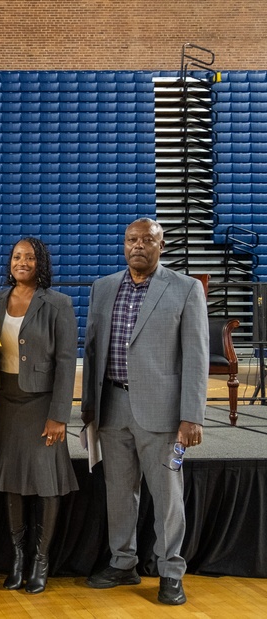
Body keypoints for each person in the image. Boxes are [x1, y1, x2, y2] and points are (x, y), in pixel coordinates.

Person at [82, 218, 208, 606]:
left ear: (161, 245)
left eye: (147, 240)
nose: (138, 246)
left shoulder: (185, 289)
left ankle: (170, 570)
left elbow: (197, 356)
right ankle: (123, 563)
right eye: (131, 240)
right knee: (120, 493)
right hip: (112, 406)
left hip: (164, 413)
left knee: (168, 495)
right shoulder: (103, 289)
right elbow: (92, 352)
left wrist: (192, 416)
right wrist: (89, 410)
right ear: (124, 245)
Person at [0, 238, 78, 594]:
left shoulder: (58, 304)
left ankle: (41, 560)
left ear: (41, 262)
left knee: (46, 482)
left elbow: (67, 363)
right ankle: (18, 558)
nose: (22, 262)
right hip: (5, 402)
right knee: (11, 482)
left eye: (29, 257)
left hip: (42, 405)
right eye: (16, 257)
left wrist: (59, 416)